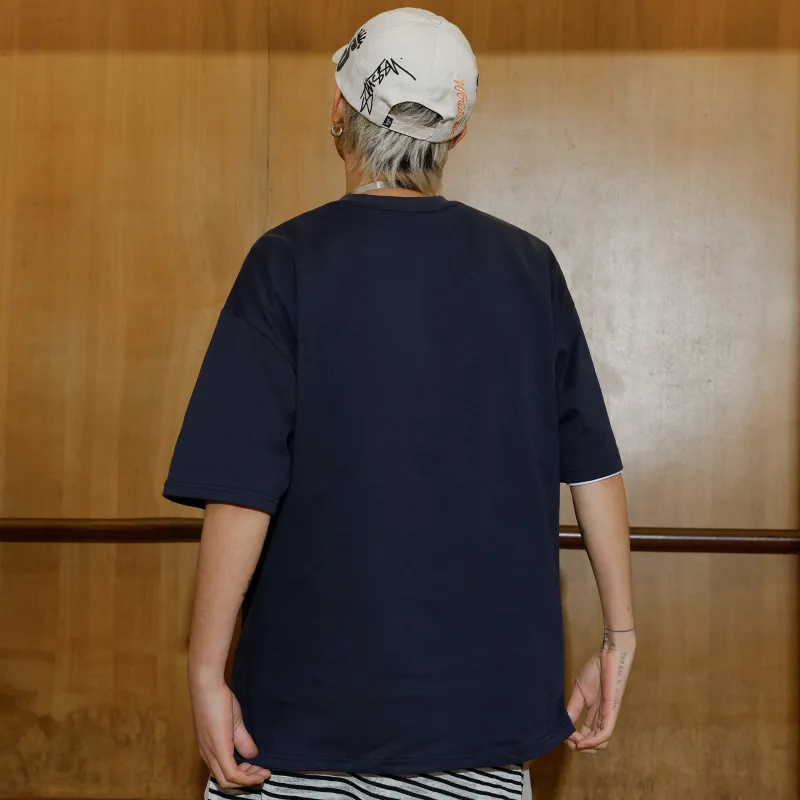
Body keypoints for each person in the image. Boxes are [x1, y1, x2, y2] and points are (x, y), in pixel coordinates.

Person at [162, 8, 636, 800]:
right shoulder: (530, 268)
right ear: (456, 132)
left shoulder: (285, 262)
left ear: (340, 110)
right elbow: (592, 467)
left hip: (302, 722)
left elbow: (241, 487)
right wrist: (618, 636)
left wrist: (206, 673)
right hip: (484, 721)